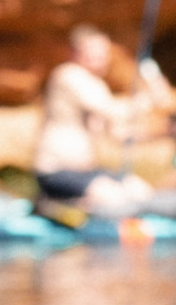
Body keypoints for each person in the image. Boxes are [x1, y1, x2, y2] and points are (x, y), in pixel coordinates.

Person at [35, 25, 134, 204]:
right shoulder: (68, 75)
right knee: (114, 197)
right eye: (91, 52)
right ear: (74, 53)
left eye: (103, 52)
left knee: (137, 190)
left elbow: (117, 132)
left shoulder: (97, 85)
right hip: (56, 172)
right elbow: (111, 110)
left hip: (85, 172)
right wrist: (145, 100)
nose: (99, 58)